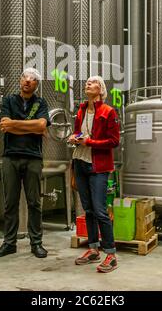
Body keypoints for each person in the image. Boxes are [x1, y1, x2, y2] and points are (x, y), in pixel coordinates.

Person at [0, 68, 50, 259]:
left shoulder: (41, 102)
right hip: (10, 157)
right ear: (20, 80)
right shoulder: (8, 100)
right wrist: (31, 127)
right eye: (25, 77)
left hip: (33, 157)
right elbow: (4, 125)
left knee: (34, 202)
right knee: (10, 203)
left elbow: (42, 125)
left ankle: (37, 243)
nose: (28, 81)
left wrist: (15, 125)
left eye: (33, 79)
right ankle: (9, 243)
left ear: (36, 85)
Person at [68, 76, 120, 273]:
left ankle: (111, 254)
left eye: (93, 82)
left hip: (98, 166)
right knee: (88, 209)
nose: (88, 84)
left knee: (99, 210)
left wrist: (88, 142)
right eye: (87, 82)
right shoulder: (81, 110)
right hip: (80, 162)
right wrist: (75, 138)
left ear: (101, 89)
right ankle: (93, 249)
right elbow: (80, 134)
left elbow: (113, 141)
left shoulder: (108, 111)